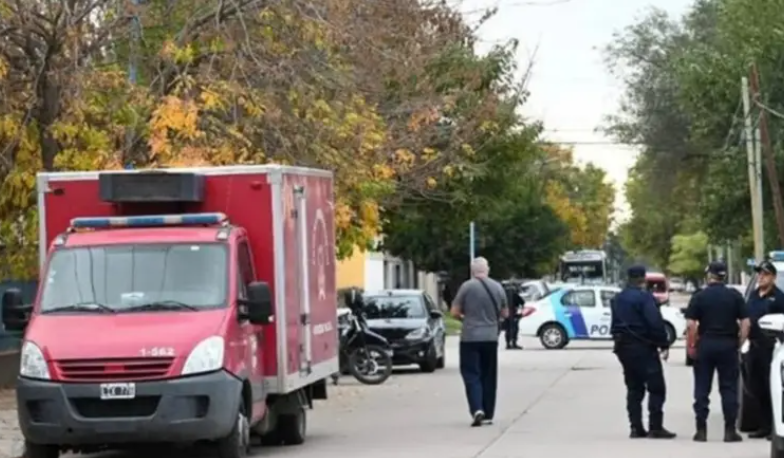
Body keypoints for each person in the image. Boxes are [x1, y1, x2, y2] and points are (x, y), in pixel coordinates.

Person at [685, 261, 750, 442]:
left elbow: (691, 324)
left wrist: (692, 345)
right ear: (724, 276)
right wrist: (739, 342)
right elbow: (746, 323)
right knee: (729, 388)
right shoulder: (734, 296)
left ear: (709, 275)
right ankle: (729, 431)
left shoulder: (700, 296)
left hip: (706, 344)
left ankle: (701, 430)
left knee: (702, 387)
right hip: (728, 344)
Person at [610, 265, 676, 439]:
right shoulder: (645, 298)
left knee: (634, 388)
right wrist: (663, 344)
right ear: (643, 279)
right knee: (656, 387)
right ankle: (655, 427)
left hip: (623, 348)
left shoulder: (618, 298)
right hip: (643, 347)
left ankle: (635, 427)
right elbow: (654, 322)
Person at [450, 257, 508, 427]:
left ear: (472, 271)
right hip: (490, 338)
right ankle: (489, 413)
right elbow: (505, 313)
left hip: (470, 338)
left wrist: (465, 318)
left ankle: (477, 408)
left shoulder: (466, 287)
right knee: (489, 375)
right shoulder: (497, 287)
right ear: (487, 270)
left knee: (471, 374)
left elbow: (454, 312)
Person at [744, 260, 784, 439]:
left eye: (765, 274)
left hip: (772, 348)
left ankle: (774, 428)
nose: (761, 277)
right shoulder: (753, 295)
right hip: (754, 347)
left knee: (772, 388)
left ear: (773, 277)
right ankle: (763, 425)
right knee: (756, 387)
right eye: (759, 273)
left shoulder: (779, 297)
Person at [503, 282, 524, 350]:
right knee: (514, 328)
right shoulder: (515, 294)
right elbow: (522, 302)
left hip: (506, 313)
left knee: (507, 329)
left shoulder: (504, 294)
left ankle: (508, 344)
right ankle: (514, 343)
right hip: (513, 313)